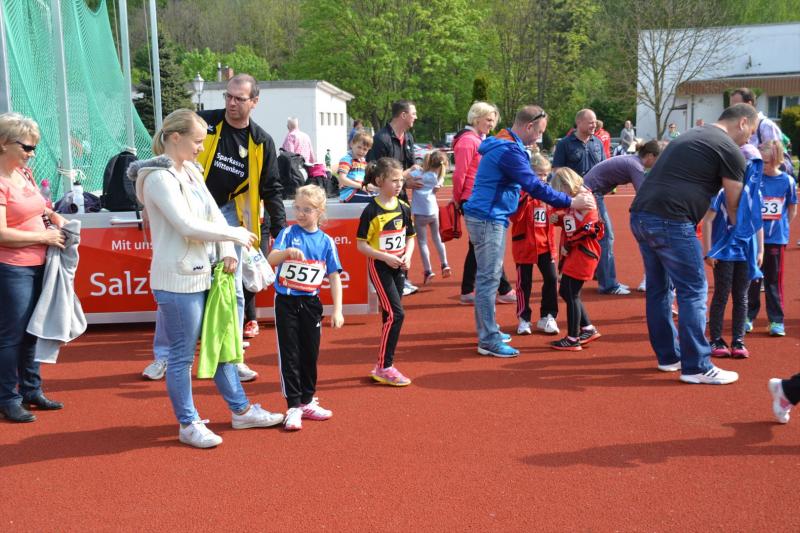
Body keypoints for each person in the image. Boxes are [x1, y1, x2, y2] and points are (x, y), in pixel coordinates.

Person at [129, 109, 284, 448]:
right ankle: (188, 424)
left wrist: (228, 248)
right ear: (175, 138)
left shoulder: (192, 172)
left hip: (208, 275)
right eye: (197, 141)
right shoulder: (157, 178)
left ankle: (241, 411)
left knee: (222, 345)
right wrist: (234, 235)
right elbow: (185, 225)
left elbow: (214, 215)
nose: (202, 147)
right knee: (182, 355)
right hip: (177, 280)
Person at [629, 103, 759, 385]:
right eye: (751, 131)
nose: (749, 139)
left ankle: (669, 357)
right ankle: (697, 365)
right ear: (742, 123)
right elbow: (734, 206)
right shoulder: (730, 150)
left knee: (659, 289)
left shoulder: (692, 134)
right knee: (694, 290)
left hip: (641, 215)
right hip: (672, 220)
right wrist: (743, 240)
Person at [462, 105, 595, 358]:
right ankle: (488, 339)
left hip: (489, 216)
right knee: (489, 280)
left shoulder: (505, 143)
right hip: (489, 217)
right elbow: (534, 185)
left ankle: (489, 331)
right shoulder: (509, 149)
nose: (539, 138)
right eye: (540, 132)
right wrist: (570, 201)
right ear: (529, 126)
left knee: (489, 278)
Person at [193, 73, 287, 382]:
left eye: (239, 98)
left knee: (233, 289)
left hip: (231, 218)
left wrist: (281, 229)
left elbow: (272, 188)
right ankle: (167, 356)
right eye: (228, 97)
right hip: (192, 211)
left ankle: (234, 359)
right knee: (185, 284)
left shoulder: (261, 141)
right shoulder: (203, 123)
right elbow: (168, 149)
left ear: (254, 102)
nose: (231, 103)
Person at [0, 113, 66, 422]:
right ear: (4, 143)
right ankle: (7, 397)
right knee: (11, 336)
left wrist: (52, 216)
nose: (32, 153)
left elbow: (40, 207)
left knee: (31, 332)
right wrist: (43, 236)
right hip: (12, 268)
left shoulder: (23, 173)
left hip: (40, 263)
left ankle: (30, 390)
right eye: (27, 147)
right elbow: (1, 233)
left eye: (34, 147)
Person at [267, 185, 344, 431]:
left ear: (320, 211)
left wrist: (338, 309)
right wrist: (286, 253)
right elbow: (270, 259)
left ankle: (308, 401)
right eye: (297, 208)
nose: (300, 213)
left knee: (310, 353)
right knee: (290, 354)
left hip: (311, 303)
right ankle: (293, 406)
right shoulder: (288, 233)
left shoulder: (326, 242)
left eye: (307, 210)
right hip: (286, 301)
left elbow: (334, 276)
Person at [554, 109, 627, 295]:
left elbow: (606, 166)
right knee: (574, 235)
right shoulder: (565, 144)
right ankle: (604, 283)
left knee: (602, 235)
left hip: (595, 196)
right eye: (590, 122)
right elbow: (557, 171)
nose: (594, 125)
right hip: (574, 198)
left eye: (595, 122)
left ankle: (602, 278)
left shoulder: (597, 142)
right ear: (579, 122)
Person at [356, 158, 416, 386]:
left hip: (399, 267)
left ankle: (384, 363)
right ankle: (384, 366)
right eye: (394, 180)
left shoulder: (403, 207)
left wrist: (407, 255)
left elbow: (410, 237)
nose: (399, 184)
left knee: (389, 315)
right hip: (380, 267)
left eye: (401, 180)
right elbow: (361, 245)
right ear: (380, 180)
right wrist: (385, 257)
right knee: (396, 314)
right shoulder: (371, 211)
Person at [701, 148, 764, 359]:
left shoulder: (755, 194)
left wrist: (760, 249)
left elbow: (757, 224)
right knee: (721, 293)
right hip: (724, 251)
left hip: (746, 252)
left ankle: (738, 340)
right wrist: (708, 251)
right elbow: (707, 221)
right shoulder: (721, 192)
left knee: (741, 295)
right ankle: (716, 339)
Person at [452, 101, 516, 305]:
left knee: (478, 245)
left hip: (480, 197)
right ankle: (503, 288)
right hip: (472, 198)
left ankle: (468, 290)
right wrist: (457, 198)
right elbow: (459, 174)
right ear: (476, 118)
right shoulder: (468, 141)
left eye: (493, 120)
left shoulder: (480, 140)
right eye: (488, 119)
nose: (491, 124)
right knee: (487, 243)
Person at [583, 140, 664, 294]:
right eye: (658, 159)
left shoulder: (633, 161)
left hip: (591, 192)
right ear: (650, 156)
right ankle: (608, 285)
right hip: (591, 194)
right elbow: (643, 194)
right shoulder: (635, 166)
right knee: (606, 237)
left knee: (601, 236)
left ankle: (602, 276)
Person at [367, 100, 422, 296]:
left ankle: (402, 277)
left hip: (401, 196)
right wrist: (404, 179)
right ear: (403, 115)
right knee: (385, 236)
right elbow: (376, 174)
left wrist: (415, 180)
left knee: (403, 235)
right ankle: (383, 279)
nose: (416, 117)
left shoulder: (408, 137)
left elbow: (410, 166)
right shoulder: (381, 139)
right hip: (383, 199)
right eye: (413, 113)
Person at [548, 168, 603, 351]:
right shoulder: (577, 198)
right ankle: (587, 328)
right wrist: (558, 219)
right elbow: (571, 221)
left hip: (583, 251)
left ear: (566, 184)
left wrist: (569, 245)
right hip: (577, 250)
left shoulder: (585, 199)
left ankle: (573, 338)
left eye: (560, 189)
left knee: (571, 293)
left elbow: (587, 230)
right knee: (567, 291)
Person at [747, 139, 797, 336]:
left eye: (766, 162)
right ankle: (747, 316)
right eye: (760, 161)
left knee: (773, 281)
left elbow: (792, 209)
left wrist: (781, 228)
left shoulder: (787, 181)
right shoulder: (755, 179)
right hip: (753, 239)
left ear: (776, 160)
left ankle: (776, 320)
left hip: (776, 239)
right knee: (752, 279)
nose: (762, 165)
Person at [509, 154, 559, 336]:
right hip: (525, 245)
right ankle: (524, 318)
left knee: (552, 279)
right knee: (524, 284)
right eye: (539, 174)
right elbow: (514, 216)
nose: (543, 178)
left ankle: (548, 316)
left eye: (545, 174)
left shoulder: (547, 193)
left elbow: (558, 213)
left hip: (545, 245)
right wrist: (528, 196)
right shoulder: (520, 192)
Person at [730, 87, 795, 177]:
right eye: (731, 106)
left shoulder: (766, 125)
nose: (732, 109)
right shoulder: (738, 127)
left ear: (749, 104)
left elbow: (776, 158)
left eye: (736, 105)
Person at [410, 151, 450, 285]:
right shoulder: (438, 177)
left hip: (420, 213)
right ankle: (444, 263)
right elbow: (441, 179)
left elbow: (404, 177)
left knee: (422, 242)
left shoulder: (418, 174)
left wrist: (413, 169)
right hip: (433, 212)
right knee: (437, 238)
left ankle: (428, 270)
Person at [337, 130, 376, 203]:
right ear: (352, 144)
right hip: (349, 193)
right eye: (359, 147)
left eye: (365, 149)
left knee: (381, 196)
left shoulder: (363, 162)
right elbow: (342, 179)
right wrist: (361, 186)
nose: (361, 151)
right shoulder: (347, 160)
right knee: (375, 200)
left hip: (360, 190)